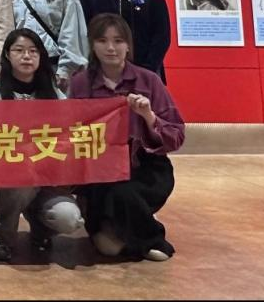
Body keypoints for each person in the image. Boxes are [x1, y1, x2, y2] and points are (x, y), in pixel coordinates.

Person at [70, 13, 185, 262]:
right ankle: (133, 222)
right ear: (92, 45)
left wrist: (149, 117)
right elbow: (71, 132)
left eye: (118, 41)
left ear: (128, 45)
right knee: (108, 247)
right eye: (102, 40)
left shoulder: (149, 81)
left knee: (123, 193)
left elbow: (176, 135)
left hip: (144, 167)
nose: (110, 48)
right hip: (99, 171)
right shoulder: (80, 83)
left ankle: (152, 237)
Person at [0, 28, 83, 262]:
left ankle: (41, 231)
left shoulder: (56, 96)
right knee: (21, 179)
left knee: (69, 218)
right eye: (19, 50)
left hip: (49, 180)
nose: (26, 56)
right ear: (7, 55)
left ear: (40, 56)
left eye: (33, 51)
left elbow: (70, 136)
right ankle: (3, 238)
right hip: (11, 179)